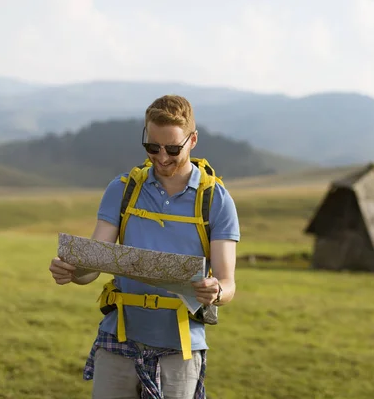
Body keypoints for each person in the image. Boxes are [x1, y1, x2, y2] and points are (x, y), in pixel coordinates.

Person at [48, 95, 240, 399]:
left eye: (173, 149)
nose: (162, 157)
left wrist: (216, 291)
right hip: (118, 338)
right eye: (152, 147)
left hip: (181, 348)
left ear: (194, 140)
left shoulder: (216, 200)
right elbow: (95, 265)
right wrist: (72, 271)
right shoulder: (122, 189)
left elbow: (228, 285)